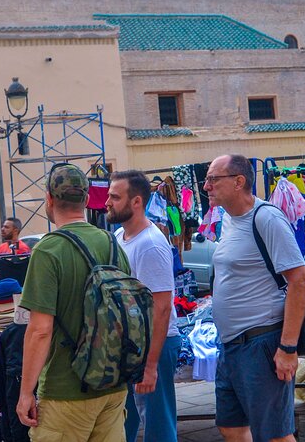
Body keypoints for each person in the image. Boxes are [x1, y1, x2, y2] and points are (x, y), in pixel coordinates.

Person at [16, 163, 131, 442]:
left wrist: (26, 392)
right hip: (112, 385)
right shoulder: (112, 243)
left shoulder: (48, 250)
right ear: (86, 198)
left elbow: (40, 330)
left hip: (65, 389)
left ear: (50, 199)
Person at [204, 154, 305, 442]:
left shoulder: (266, 218)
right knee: (231, 427)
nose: (206, 187)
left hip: (261, 344)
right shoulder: (228, 219)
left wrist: (288, 348)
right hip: (230, 346)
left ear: (239, 182)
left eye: (213, 179)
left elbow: (300, 281)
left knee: (275, 435)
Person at [105, 170, 180, 442]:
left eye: (115, 196)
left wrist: (150, 365)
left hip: (154, 346)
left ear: (136, 202)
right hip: (131, 346)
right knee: (123, 422)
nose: (107, 202)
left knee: (158, 428)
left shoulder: (149, 245)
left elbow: (161, 308)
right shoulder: (118, 238)